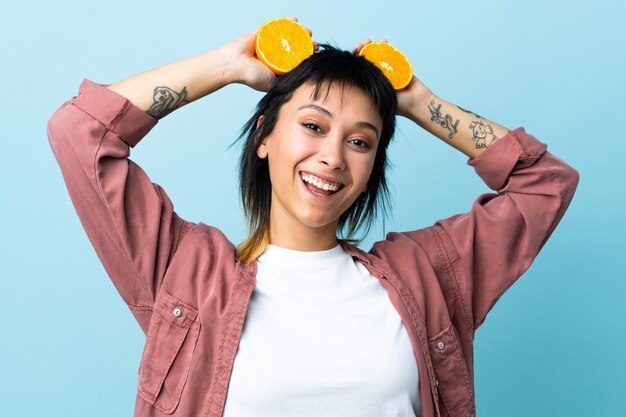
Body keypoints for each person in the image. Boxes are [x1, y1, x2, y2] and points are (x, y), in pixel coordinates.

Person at [47, 19, 579, 417]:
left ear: (371, 169)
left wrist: (417, 102)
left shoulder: (429, 276)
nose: (333, 157)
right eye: (313, 126)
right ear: (263, 138)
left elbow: (545, 183)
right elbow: (80, 134)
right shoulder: (185, 273)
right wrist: (229, 65)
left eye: (360, 141)